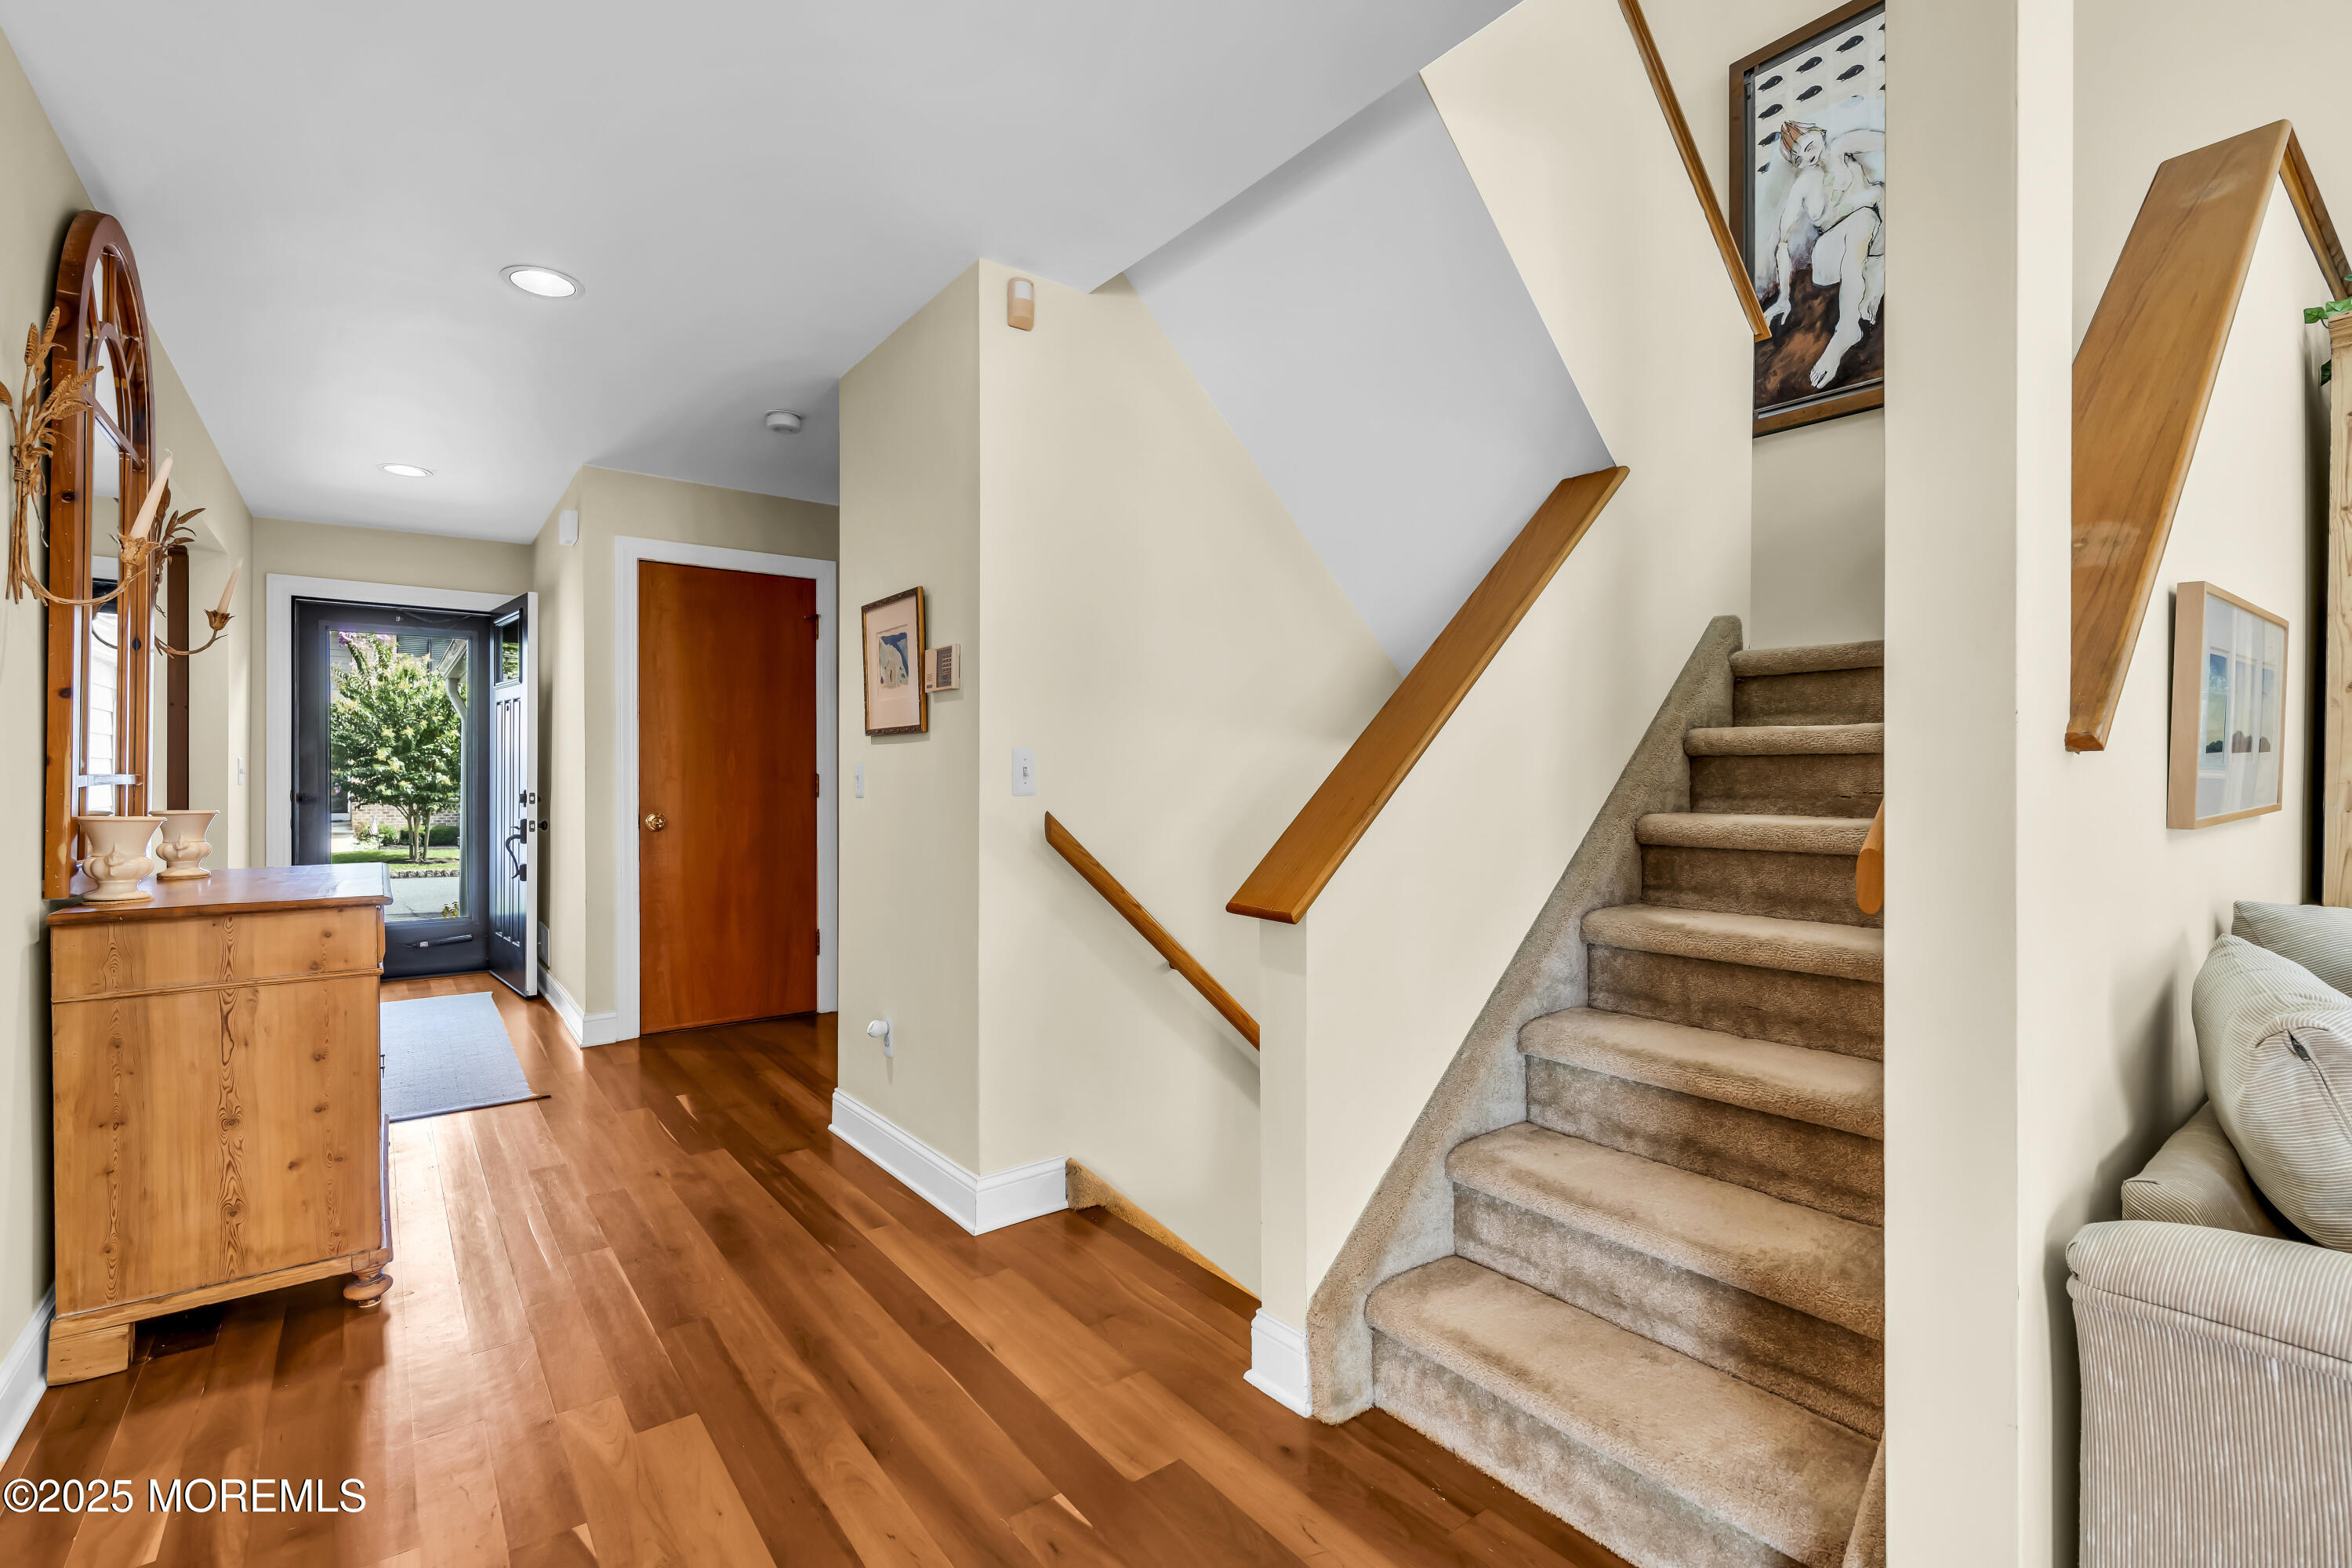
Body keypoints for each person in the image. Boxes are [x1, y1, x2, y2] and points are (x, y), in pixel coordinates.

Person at [1759, 119, 1885, 390]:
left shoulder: (1843, 147)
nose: (1806, 155)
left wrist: (1874, 193)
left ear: (1819, 132)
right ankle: (1846, 330)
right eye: (1798, 157)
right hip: (1831, 259)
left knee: (1876, 209)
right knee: (1864, 217)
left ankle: (1871, 289)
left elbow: (1891, 142)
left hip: (1870, 243)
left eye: (1806, 144)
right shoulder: (1803, 185)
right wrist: (1783, 298)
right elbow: (1782, 241)